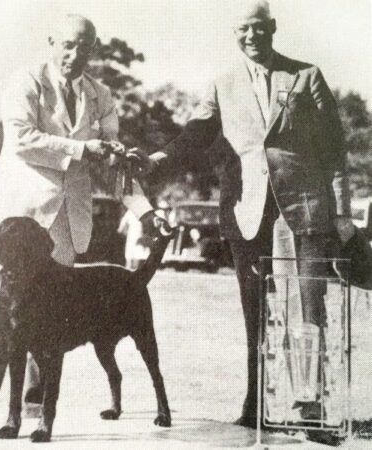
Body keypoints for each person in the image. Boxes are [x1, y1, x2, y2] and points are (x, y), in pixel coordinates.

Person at [129, 0, 355, 428]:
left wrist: (341, 211)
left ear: (272, 27)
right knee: (254, 313)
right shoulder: (221, 84)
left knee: (308, 309)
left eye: (257, 28)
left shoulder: (305, 76)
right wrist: (158, 160)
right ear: (235, 34)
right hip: (245, 213)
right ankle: (255, 406)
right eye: (242, 31)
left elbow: (334, 150)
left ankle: (311, 405)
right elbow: (196, 134)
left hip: (304, 212)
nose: (250, 37)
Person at [0, 14, 160, 421]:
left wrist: (145, 210)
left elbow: (112, 162)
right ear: (52, 41)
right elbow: (21, 139)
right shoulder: (26, 80)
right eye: (67, 44)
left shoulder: (101, 94)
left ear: (93, 49)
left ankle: (34, 417)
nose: (74, 54)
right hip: (15, 221)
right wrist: (85, 149)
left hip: (67, 224)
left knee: (50, 323)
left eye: (84, 46)